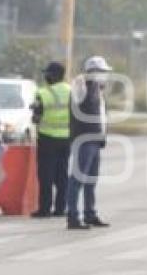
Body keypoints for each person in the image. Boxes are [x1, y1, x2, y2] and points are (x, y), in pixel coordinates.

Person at [66, 56, 111, 230]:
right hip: (84, 139)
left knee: (91, 180)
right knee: (77, 179)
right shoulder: (82, 85)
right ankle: (73, 217)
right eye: (102, 72)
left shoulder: (97, 89)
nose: (105, 75)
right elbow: (77, 95)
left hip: (95, 139)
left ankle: (90, 214)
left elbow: (101, 116)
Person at [31, 62, 72, 218]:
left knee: (46, 175)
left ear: (53, 75)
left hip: (47, 138)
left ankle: (45, 209)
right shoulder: (71, 91)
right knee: (62, 175)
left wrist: (35, 114)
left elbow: (36, 117)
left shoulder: (43, 93)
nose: (46, 77)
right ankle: (61, 208)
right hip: (66, 138)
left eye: (47, 74)